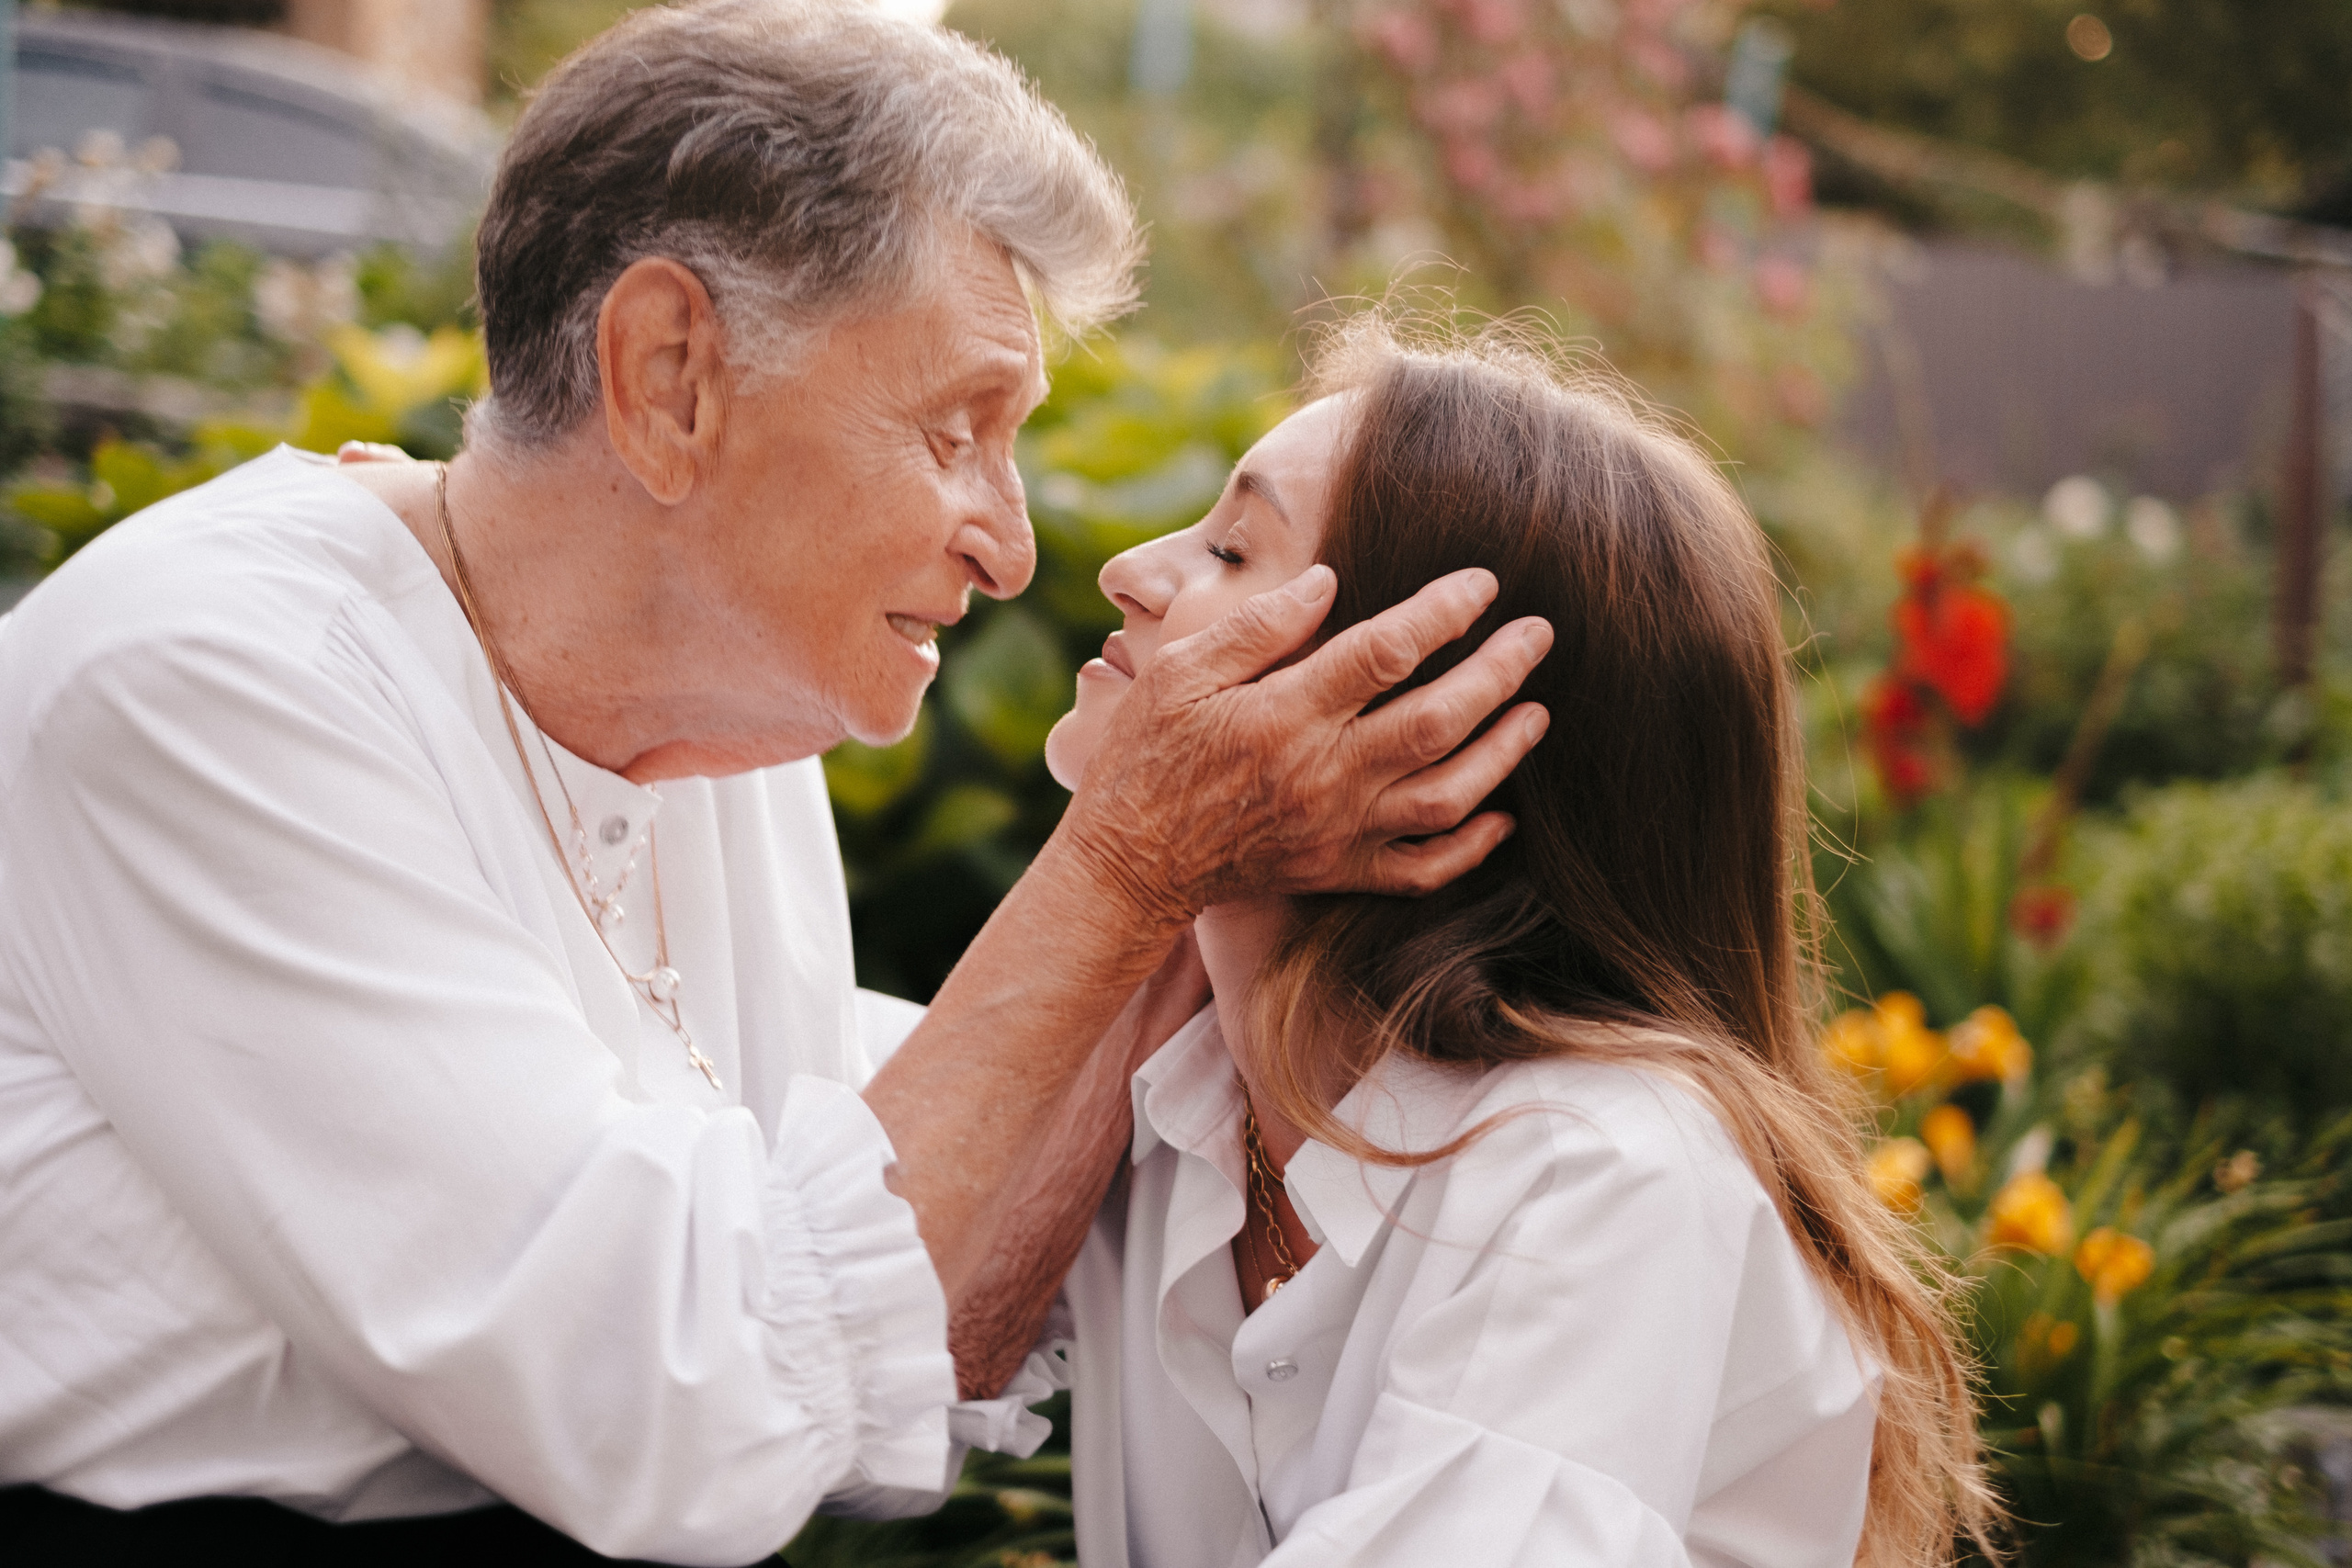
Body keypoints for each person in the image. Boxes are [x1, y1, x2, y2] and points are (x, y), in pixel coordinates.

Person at [0, 7, 1554, 1564]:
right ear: (670, 376)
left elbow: (889, 1319)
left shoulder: (724, 716)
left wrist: (1198, 876)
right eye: (958, 432)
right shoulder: (208, 684)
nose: (1010, 547)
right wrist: (1130, 861)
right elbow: (683, 1413)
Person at [1030, 318, 2001, 1568]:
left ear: (1439, 728)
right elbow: (828, 1313)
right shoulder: (1183, 1089)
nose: (1132, 572)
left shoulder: (1606, 1175)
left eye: (1230, 549)